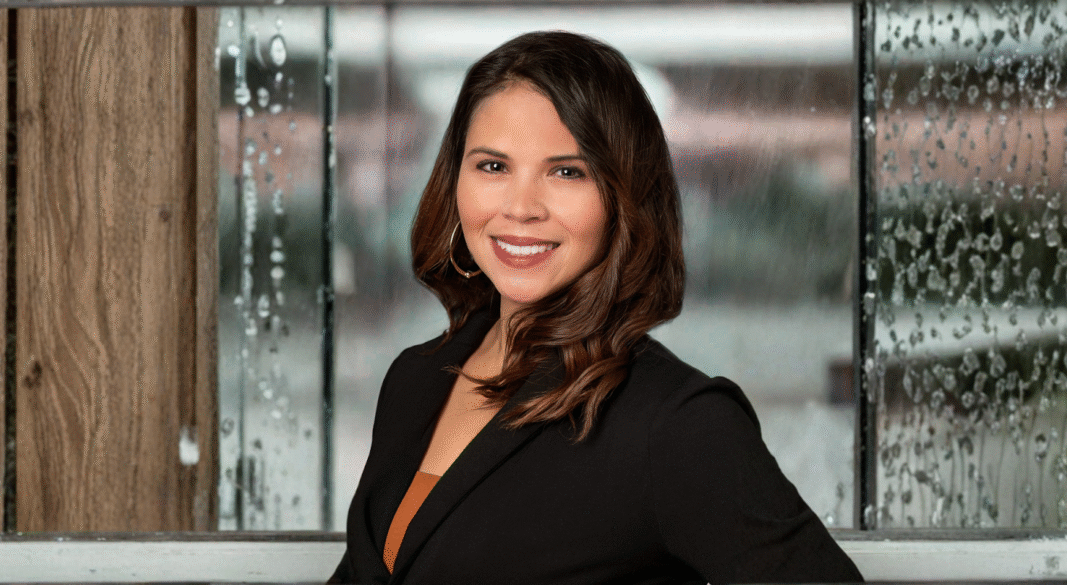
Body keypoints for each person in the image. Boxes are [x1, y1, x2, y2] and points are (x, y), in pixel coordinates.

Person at [329, 30, 862, 585]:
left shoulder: (677, 425)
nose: (521, 208)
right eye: (493, 166)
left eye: (567, 171)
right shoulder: (416, 380)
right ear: (454, 178)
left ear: (623, 195)